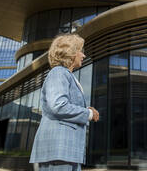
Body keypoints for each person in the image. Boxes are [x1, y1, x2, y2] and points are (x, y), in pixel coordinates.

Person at [30, 33, 99, 171]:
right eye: (81, 51)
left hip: (66, 151)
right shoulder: (58, 72)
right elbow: (58, 106)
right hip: (59, 149)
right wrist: (88, 114)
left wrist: (86, 109)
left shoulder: (66, 75)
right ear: (71, 52)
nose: (83, 56)